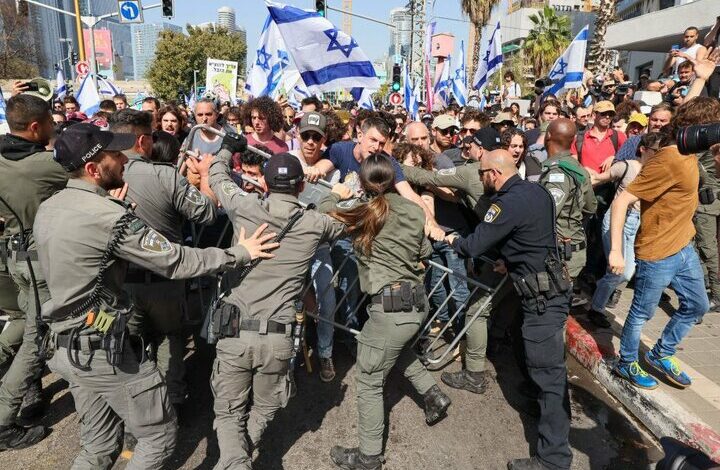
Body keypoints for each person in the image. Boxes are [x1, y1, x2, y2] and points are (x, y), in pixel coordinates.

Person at [34, 123, 276, 469]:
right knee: (158, 437)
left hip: (67, 344)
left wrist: (114, 214)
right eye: (115, 155)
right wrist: (239, 252)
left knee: (98, 446)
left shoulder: (52, 207)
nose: (123, 160)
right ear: (92, 169)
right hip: (104, 347)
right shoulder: (108, 217)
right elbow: (176, 260)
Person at [198, 146, 345, 469]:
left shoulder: (244, 206)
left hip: (235, 333)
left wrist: (226, 149)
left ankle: (235, 461)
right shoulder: (316, 223)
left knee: (228, 411)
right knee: (265, 407)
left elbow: (218, 176)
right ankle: (240, 459)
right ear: (301, 186)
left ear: (263, 183)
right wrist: (338, 194)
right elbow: (345, 223)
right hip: (278, 340)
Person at [445, 149, 573, 470]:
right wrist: (510, 258)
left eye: (482, 173)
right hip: (548, 288)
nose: (480, 178)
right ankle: (539, 399)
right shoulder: (537, 191)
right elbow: (532, 236)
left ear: (495, 174)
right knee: (532, 354)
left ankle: (553, 459)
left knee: (550, 376)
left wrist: (450, 239)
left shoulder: (505, 203)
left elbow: (474, 245)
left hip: (542, 298)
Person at [324, 154, 451, 470]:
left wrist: (337, 193)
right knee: (394, 350)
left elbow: (323, 214)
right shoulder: (412, 209)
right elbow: (425, 252)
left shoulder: (363, 212)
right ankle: (434, 395)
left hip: (389, 309)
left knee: (368, 381)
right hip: (416, 305)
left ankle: (368, 457)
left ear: (365, 182)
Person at [110, 108, 218, 410]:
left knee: (130, 346)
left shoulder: (97, 173)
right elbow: (207, 213)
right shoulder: (165, 176)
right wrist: (207, 177)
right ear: (143, 140)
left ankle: (135, 408)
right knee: (171, 338)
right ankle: (171, 402)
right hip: (165, 280)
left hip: (121, 283)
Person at [610, 123, 709, 390]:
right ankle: (626, 362)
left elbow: (689, 113)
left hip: (684, 248)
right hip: (657, 253)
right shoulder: (664, 160)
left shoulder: (690, 152)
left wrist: (700, 79)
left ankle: (661, 352)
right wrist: (616, 250)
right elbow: (621, 202)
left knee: (698, 305)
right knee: (642, 312)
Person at [0, 94, 68, 449]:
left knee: (27, 325)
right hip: (38, 262)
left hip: (14, 260)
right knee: (34, 339)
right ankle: (3, 419)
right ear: (36, 127)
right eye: (51, 123)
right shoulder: (45, 165)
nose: (55, 127)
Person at [289, 112, 340, 381]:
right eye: (305, 135)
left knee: (327, 299)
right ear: (297, 135)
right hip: (289, 245)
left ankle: (325, 352)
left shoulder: (334, 170)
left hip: (320, 245)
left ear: (323, 140)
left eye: (315, 137)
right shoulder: (286, 162)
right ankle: (287, 359)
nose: (310, 141)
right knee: (285, 301)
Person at [587, 133, 659, 321]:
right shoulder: (627, 166)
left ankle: (599, 293)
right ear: (643, 149)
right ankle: (596, 307)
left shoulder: (657, 171)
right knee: (622, 272)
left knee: (624, 271)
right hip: (616, 220)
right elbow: (597, 179)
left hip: (636, 223)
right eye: (656, 151)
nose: (659, 154)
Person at [539, 119, 600, 318]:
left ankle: (555, 349)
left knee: (553, 311)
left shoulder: (558, 173)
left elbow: (546, 214)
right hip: (572, 249)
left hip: (561, 254)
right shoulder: (577, 168)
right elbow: (591, 207)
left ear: (548, 136)